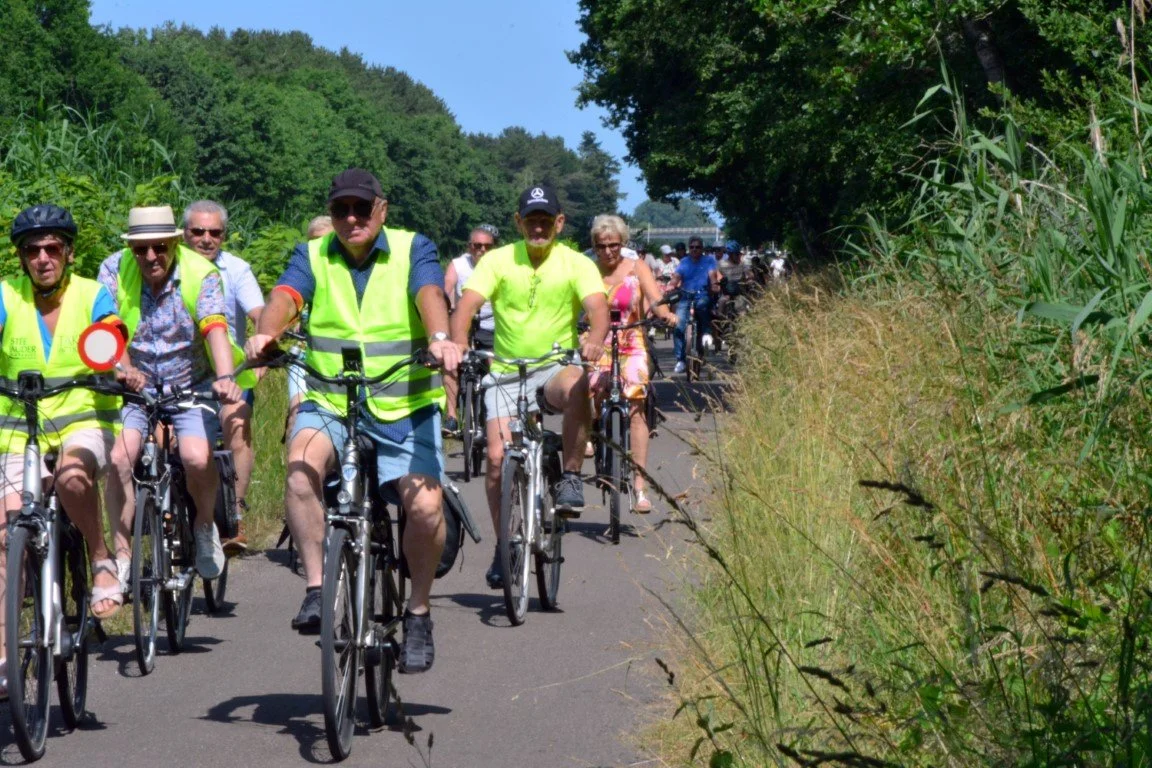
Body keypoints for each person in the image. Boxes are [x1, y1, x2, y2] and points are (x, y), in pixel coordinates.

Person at [245, 168, 459, 674]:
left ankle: (419, 613)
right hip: (331, 400)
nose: (351, 218)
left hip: (404, 405)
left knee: (425, 508)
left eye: (362, 208)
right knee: (300, 472)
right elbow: (286, 296)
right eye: (340, 209)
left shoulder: (412, 248)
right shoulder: (313, 253)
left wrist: (439, 339)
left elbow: (429, 294)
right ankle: (317, 588)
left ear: (382, 210)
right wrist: (267, 334)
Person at [450, 184, 609, 590]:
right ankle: (505, 546)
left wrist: (594, 340)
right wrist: (458, 342)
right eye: (531, 221)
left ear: (559, 223)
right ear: (518, 222)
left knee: (578, 385)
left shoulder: (576, 263)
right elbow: (467, 305)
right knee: (497, 459)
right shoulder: (498, 260)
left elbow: (597, 309)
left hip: (554, 366)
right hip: (506, 370)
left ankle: (570, 475)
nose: (538, 228)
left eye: (546, 221)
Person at [0, 206, 128, 696]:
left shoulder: (92, 293)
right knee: (5, 538)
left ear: (69, 253)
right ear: (21, 257)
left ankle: (100, 558)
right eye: (32, 250)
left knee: (74, 477)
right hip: (18, 430)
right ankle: (6, 656)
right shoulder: (6, 295)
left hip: (82, 420)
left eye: (52, 248)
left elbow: (111, 330)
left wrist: (114, 359)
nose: (43, 258)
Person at [99, 206, 243, 588]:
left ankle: (204, 525)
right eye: (141, 249)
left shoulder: (200, 273)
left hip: (189, 383)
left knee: (195, 457)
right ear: (131, 249)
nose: (150, 257)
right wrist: (124, 369)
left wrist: (225, 378)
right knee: (120, 458)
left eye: (160, 247)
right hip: (136, 385)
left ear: (175, 244)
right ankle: (122, 556)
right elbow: (108, 327)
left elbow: (215, 328)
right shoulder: (113, 268)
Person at [183, 200, 264, 554]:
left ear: (224, 235)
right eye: (198, 231)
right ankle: (173, 512)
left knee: (237, 425)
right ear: (184, 234)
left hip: (230, 373)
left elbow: (259, 313)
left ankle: (235, 513)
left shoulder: (237, 269)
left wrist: (262, 347)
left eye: (214, 232)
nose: (206, 238)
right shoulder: (171, 267)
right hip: (184, 374)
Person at [586, 215, 676, 513]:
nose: (608, 251)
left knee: (636, 406)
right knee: (590, 388)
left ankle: (639, 486)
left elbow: (655, 298)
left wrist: (665, 314)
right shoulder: (588, 270)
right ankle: (593, 430)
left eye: (613, 245)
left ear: (622, 243)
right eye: (602, 246)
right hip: (597, 340)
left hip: (631, 339)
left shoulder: (637, 267)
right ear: (594, 246)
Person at [442, 225, 498, 435]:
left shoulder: (499, 265)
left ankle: (495, 414)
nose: (482, 250)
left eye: (487, 246)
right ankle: (452, 416)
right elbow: (447, 287)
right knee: (451, 363)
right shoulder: (458, 264)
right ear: (469, 246)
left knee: (496, 369)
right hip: (463, 323)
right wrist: (446, 305)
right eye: (477, 246)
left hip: (491, 325)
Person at [667, 236, 721, 373]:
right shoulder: (684, 262)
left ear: (701, 248)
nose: (694, 249)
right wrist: (671, 285)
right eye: (692, 247)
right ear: (689, 249)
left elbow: (712, 276)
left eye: (697, 247)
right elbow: (676, 277)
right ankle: (680, 360)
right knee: (678, 326)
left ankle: (706, 332)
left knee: (702, 306)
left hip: (702, 294)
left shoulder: (709, 261)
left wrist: (714, 285)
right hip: (685, 296)